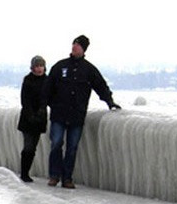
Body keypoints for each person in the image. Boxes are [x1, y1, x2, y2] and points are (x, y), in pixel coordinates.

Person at [43, 34, 121, 189]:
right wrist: (46, 104)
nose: (74, 47)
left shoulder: (89, 70)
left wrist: (110, 102)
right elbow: (48, 87)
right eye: (73, 44)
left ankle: (67, 178)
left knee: (72, 148)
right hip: (59, 114)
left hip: (77, 116)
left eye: (77, 45)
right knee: (56, 144)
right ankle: (54, 175)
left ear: (83, 49)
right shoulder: (60, 66)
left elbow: (101, 86)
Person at [17, 55, 48, 183]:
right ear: (33, 68)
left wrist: (41, 111)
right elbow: (25, 99)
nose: (39, 69)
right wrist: (30, 115)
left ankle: (26, 172)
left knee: (33, 147)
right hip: (27, 118)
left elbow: (48, 98)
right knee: (28, 146)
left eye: (41, 66)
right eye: (37, 66)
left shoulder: (47, 80)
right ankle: (24, 173)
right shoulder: (28, 80)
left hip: (40, 118)